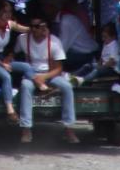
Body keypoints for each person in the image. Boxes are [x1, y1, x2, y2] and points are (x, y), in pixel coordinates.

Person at [15, 12, 79, 144]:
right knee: (25, 86)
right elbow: (13, 52)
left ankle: (69, 127)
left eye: (39, 26)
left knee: (67, 87)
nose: (36, 29)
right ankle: (26, 128)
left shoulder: (54, 42)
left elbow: (59, 68)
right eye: (33, 26)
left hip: (50, 74)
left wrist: (44, 77)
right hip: (31, 74)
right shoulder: (23, 39)